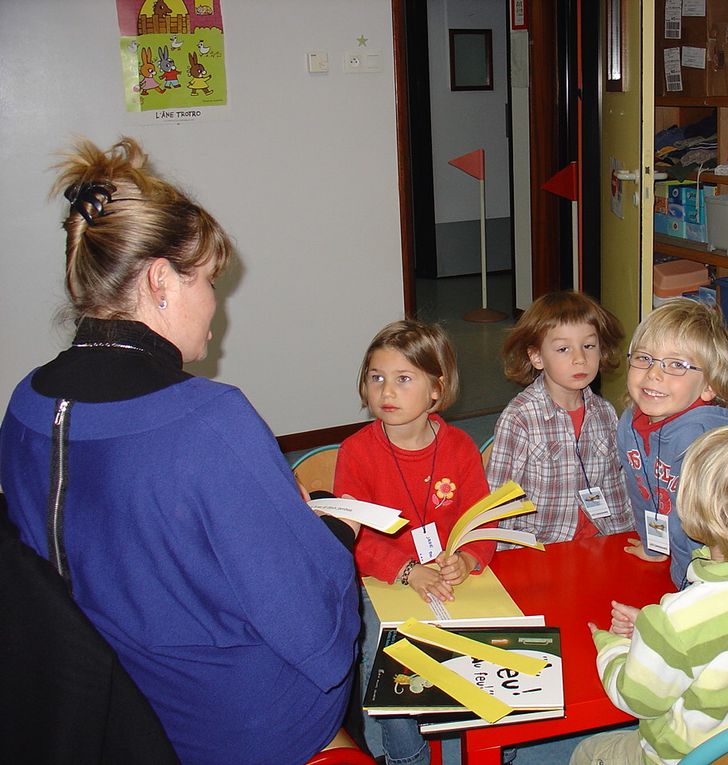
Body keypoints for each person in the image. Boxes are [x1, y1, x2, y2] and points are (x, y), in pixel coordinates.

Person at [0, 137, 361, 764]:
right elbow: (321, 643)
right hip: (226, 728)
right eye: (211, 281)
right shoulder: (209, 422)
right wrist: (324, 531)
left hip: (95, 705)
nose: (215, 307)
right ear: (161, 279)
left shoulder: (26, 403)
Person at [571, 425, 728, 765]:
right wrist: (650, 628)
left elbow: (636, 700)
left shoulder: (678, 619)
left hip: (690, 757)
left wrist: (612, 648)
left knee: (587, 753)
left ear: (696, 506)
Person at [333, 319, 496, 765]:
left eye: (404, 379)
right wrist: (407, 572)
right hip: (382, 580)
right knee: (380, 656)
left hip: (448, 577)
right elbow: (355, 538)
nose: (387, 391)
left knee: (494, 641)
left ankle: (492, 745)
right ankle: (406, 756)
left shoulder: (461, 446)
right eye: (376, 377)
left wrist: (466, 558)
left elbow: (481, 520)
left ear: (436, 391)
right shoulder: (356, 452)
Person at [485, 291, 633, 545]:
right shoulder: (521, 418)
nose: (580, 359)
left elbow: (614, 485)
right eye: (563, 349)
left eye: (588, 346)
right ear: (537, 357)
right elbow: (499, 497)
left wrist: (626, 537)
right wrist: (501, 556)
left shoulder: (605, 413)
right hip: (540, 545)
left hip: (598, 539)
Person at [617, 298, 728, 588]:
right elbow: (642, 493)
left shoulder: (706, 442)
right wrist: (654, 545)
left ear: (710, 386)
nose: (654, 373)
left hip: (724, 571)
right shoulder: (628, 425)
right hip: (681, 563)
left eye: (676, 364)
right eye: (644, 358)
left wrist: (706, 584)